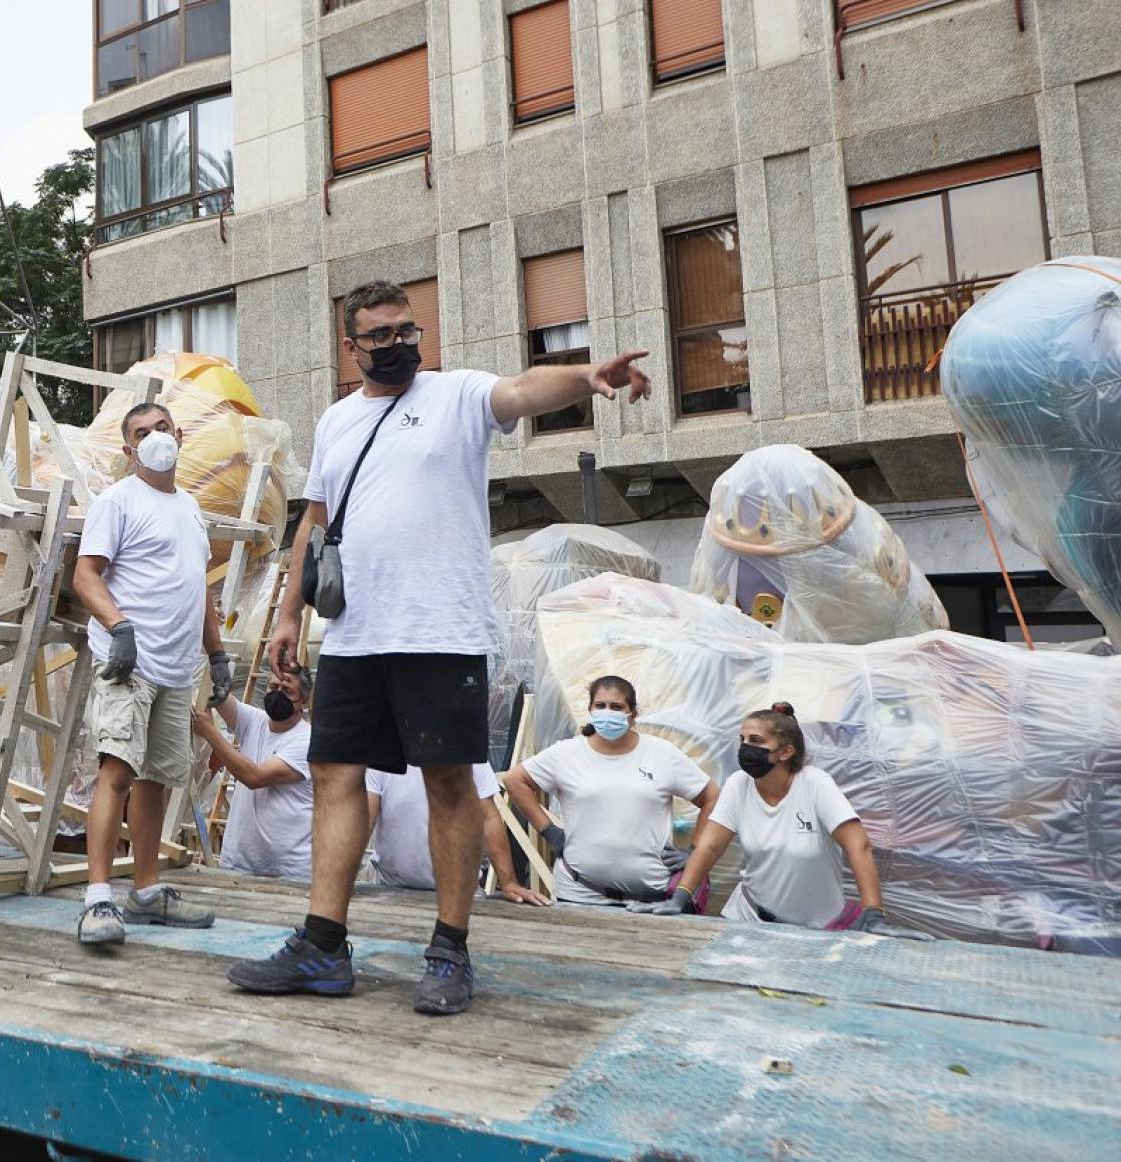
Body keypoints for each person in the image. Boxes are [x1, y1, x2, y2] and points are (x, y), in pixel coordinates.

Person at [229, 279, 650, 1015]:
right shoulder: (335, 423)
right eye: (380, 335)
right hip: (356, 633)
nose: (396, 345)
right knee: (333, 774)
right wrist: (289, 613)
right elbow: (316, 525)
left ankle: (450, 952)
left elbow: (521, 389)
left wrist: (583, 377)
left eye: (406, 331)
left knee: (449, 783)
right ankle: (323, 946)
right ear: (351, 345)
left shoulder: (456, 396)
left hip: (441, 630)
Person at [71, 402, 229, 945]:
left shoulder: (190, 508)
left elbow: (199, 584)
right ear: (128, 449)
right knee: (116, 769)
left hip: (176, 665)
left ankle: (145, 891)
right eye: (142, 433)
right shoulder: (117, 502)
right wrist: (119, 628)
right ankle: (97, 901)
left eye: (162, 428)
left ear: (178, 435)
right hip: (129, 662)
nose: (156, 437)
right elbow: (86, 576)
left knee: (157, 778)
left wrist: (217, 653)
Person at [634, 703, 924, 938]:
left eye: (757, 741)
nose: (746, 748)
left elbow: (858, 846)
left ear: (786, 752)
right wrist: (680, 898)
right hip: (747, 919)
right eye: (743, 740)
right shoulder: (739, 784)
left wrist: (873, 914)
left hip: (818, 932)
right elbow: (709, 848)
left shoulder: (815, 784)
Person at [501, 676, 720, 908]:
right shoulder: (566, 753)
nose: (608, 712)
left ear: (632, 714)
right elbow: (515, 780)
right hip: (579, 894)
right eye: (600, 706)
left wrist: (695, 852)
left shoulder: (662, 754)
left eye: (617, 707)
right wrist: (550, 831)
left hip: (652, 900)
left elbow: (712, 797)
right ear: (590, 710)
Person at [367, 764, 550, 904]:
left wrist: (509, 882)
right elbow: (365, 817)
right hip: (391, 889)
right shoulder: (385, 749)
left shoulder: (465, 745)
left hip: (462, 894)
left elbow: (488, 817)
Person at [194, 668, 314, 881]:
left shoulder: (306, 741)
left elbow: (254, 777)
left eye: (286, 690)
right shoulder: (254, 721)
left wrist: (210, 732)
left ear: (304, 701)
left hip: (288, 875)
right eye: (273, 687)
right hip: (237, 865)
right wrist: (212, 656)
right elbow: (218, 691)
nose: (277, 694)